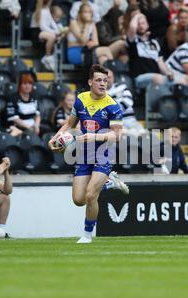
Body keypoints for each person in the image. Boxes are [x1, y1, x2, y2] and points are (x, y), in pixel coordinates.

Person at [48, 64, 129, 244]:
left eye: (105, 81)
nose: (103, 84)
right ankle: (109, 183)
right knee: (79, 199)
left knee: (91, 194)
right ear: (90, 82)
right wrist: (54, 138)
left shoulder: (113, 106)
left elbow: (116, 134)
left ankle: (87, 235)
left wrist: (94, 136)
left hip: (104, 153)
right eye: (99, 80)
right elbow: (69, 124)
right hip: (84, 154)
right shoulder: (80, 100)